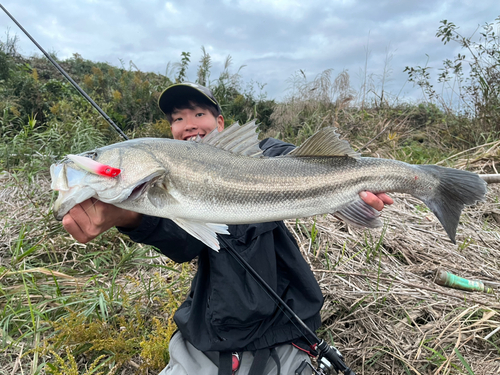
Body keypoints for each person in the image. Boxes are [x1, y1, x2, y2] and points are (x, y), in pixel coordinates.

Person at [62, 82, 393, 375]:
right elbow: (183, 243)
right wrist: (127, 217)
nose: (188, 125)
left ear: (220, 123)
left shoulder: (262, 154)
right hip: (212, 332)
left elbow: (288, 158)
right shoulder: (168, 187)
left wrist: (348, 186)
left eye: (198, 114)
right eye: (177, 119)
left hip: (288, 327)